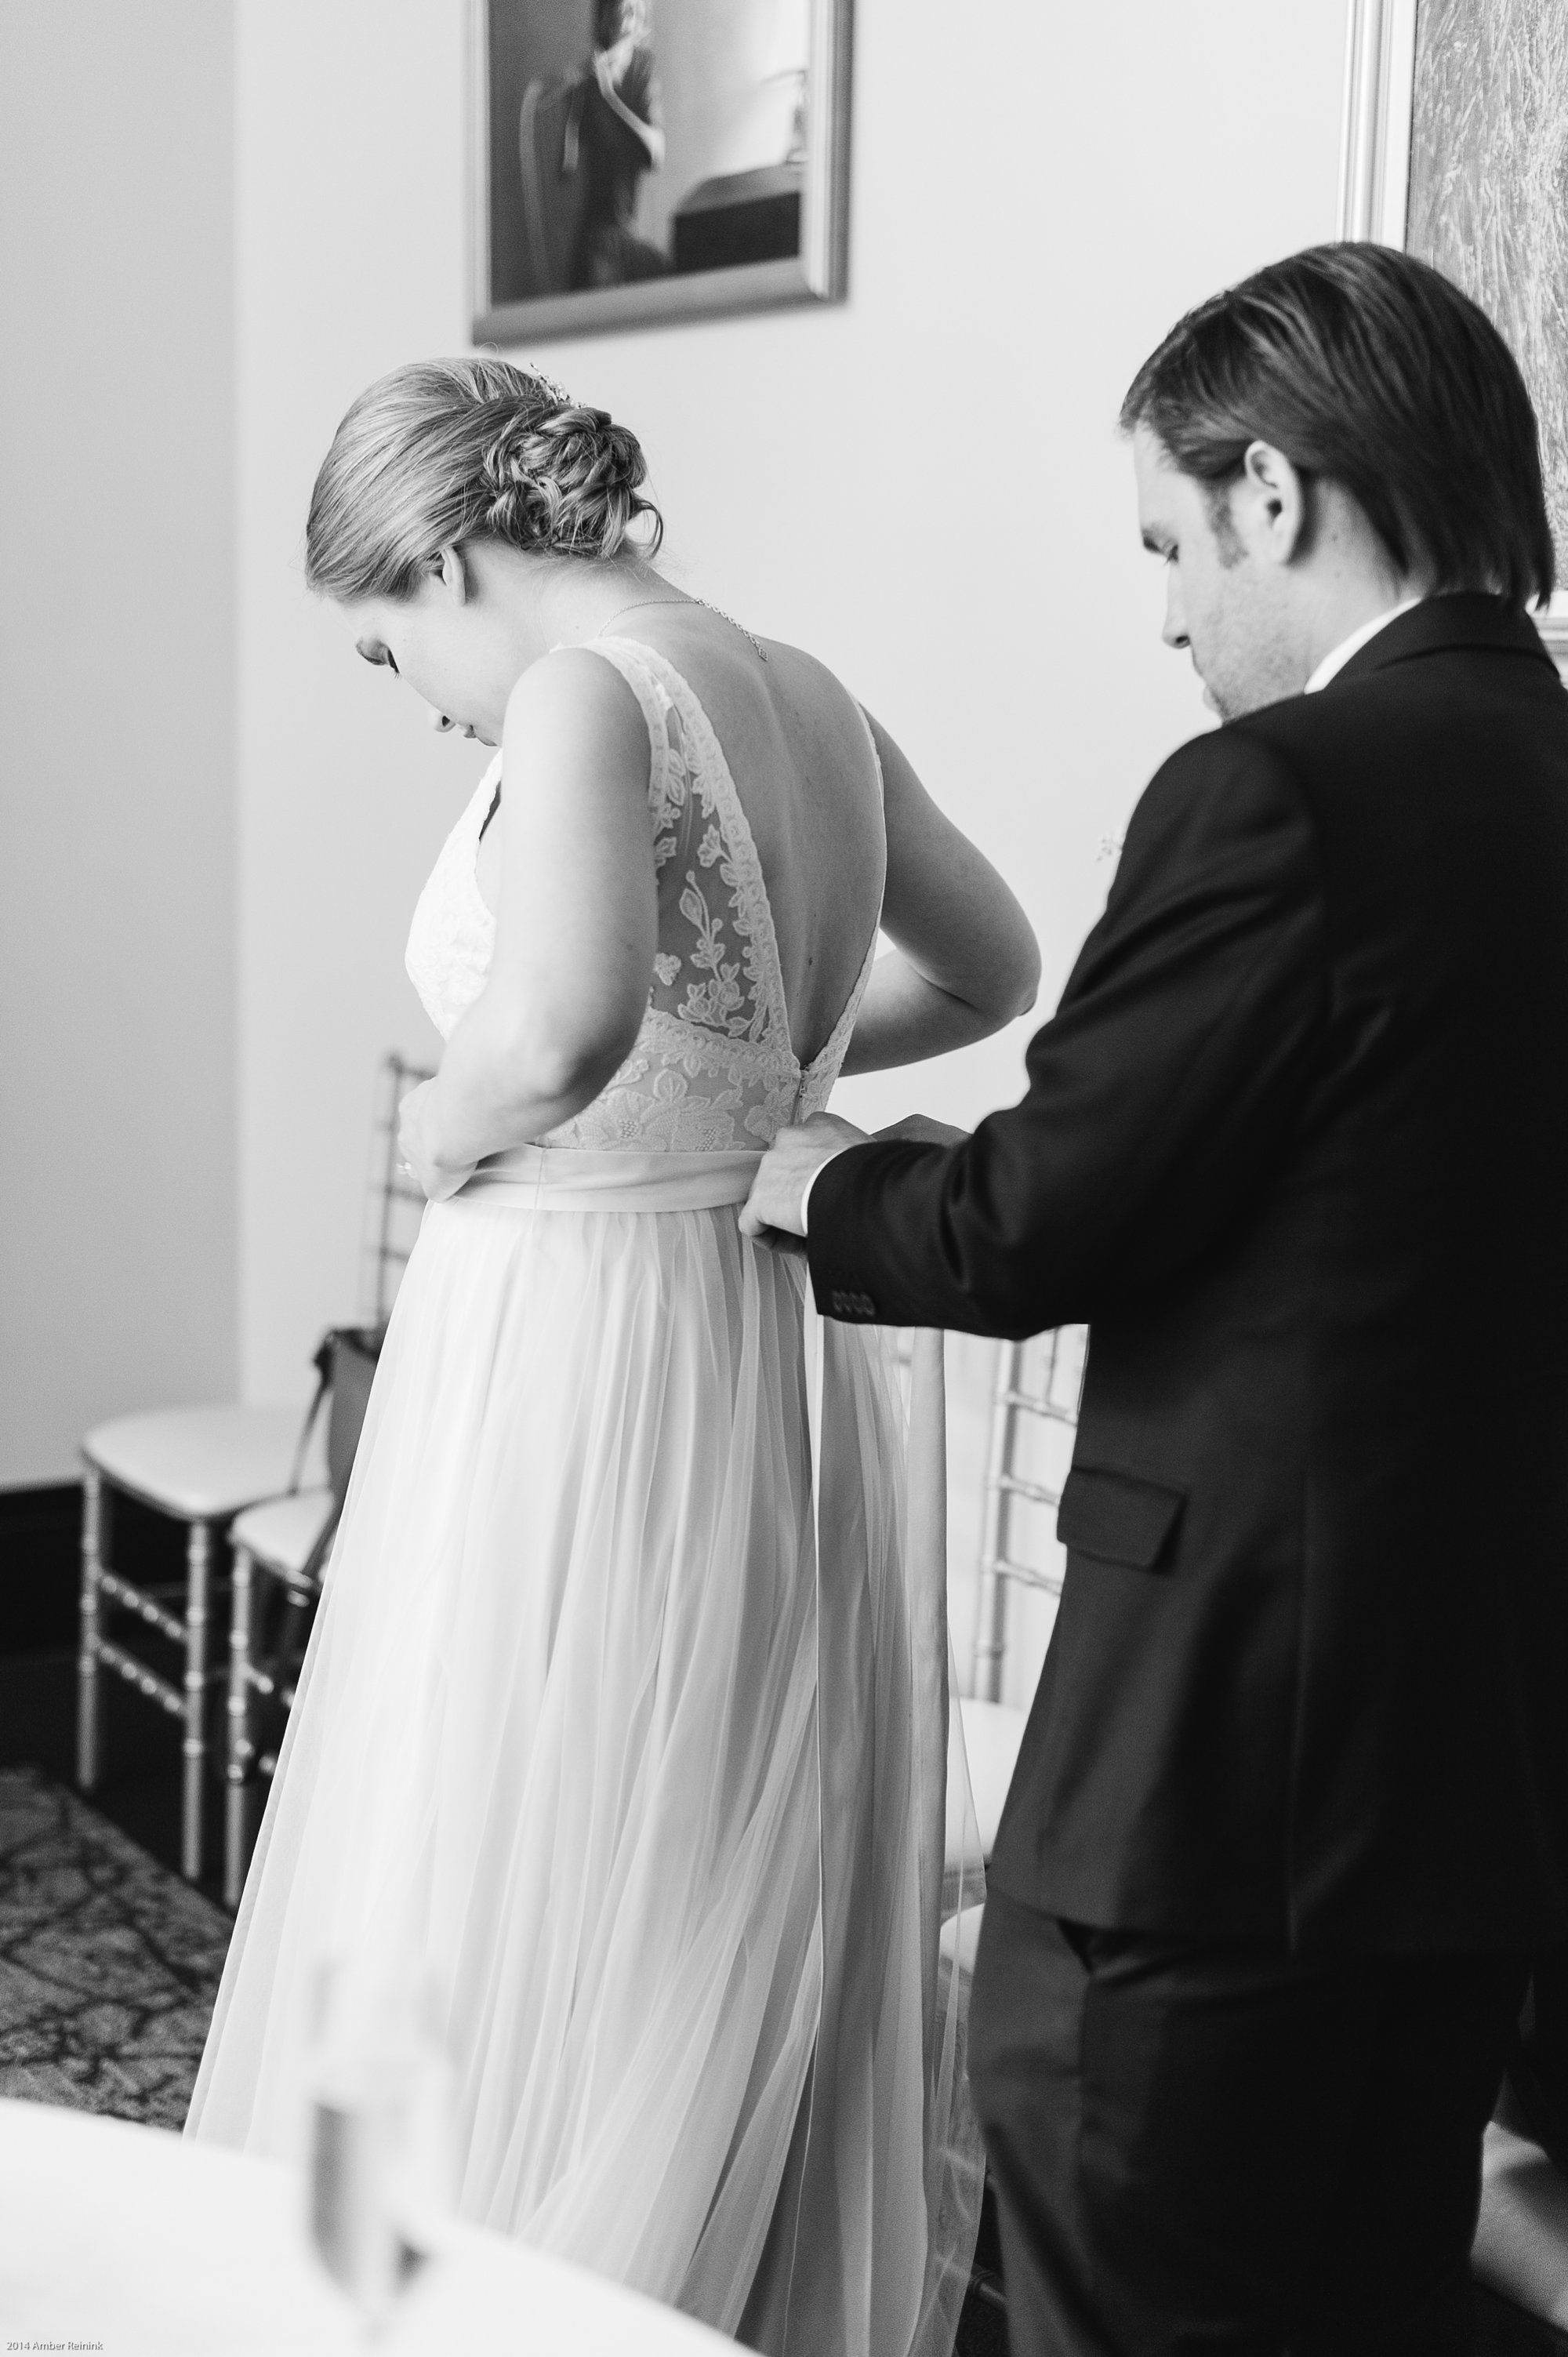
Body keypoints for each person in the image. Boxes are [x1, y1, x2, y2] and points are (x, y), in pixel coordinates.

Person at [744, 242, 1568, 2354]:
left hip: (1209, 1803)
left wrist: (817, 1182)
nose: (1173, 617)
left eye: (1171, 546)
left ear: (1273, 492)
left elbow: (1036, 1215)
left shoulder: (1284, 791)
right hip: (1475, 1784)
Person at [186, 356, 1040, 2357]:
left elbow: (557, 1026)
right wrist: (751, 1091)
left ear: (452, 553)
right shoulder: (811, 695)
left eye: (395, 650)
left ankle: (494, 2298)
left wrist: (440, 1126)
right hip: (736, 1318)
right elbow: (989, 968)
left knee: (498, 1827)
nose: (421, 702)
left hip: (569, 1327)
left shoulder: (584, 695)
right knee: (662, 1835)